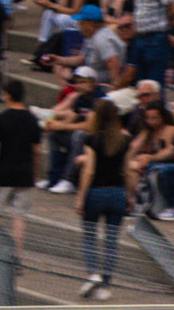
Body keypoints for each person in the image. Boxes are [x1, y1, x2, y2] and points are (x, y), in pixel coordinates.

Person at [73, 102, 132, 299]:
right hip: (118, 193)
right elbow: (128, 171)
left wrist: (80, 198)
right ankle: (106, 286)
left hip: (96, 192)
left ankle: (93, 273)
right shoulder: (124, 140)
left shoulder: (92, 139)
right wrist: (130, 196)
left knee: (90, 236)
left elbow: (89, 170)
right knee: (111, 240)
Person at [0, 78, 43, 250]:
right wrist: (36, 173)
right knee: (19, 217)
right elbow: (37, 151)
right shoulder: (32, 120)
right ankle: (16, 256)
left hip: (3, 173)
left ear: (8, 95)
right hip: (24, 173)